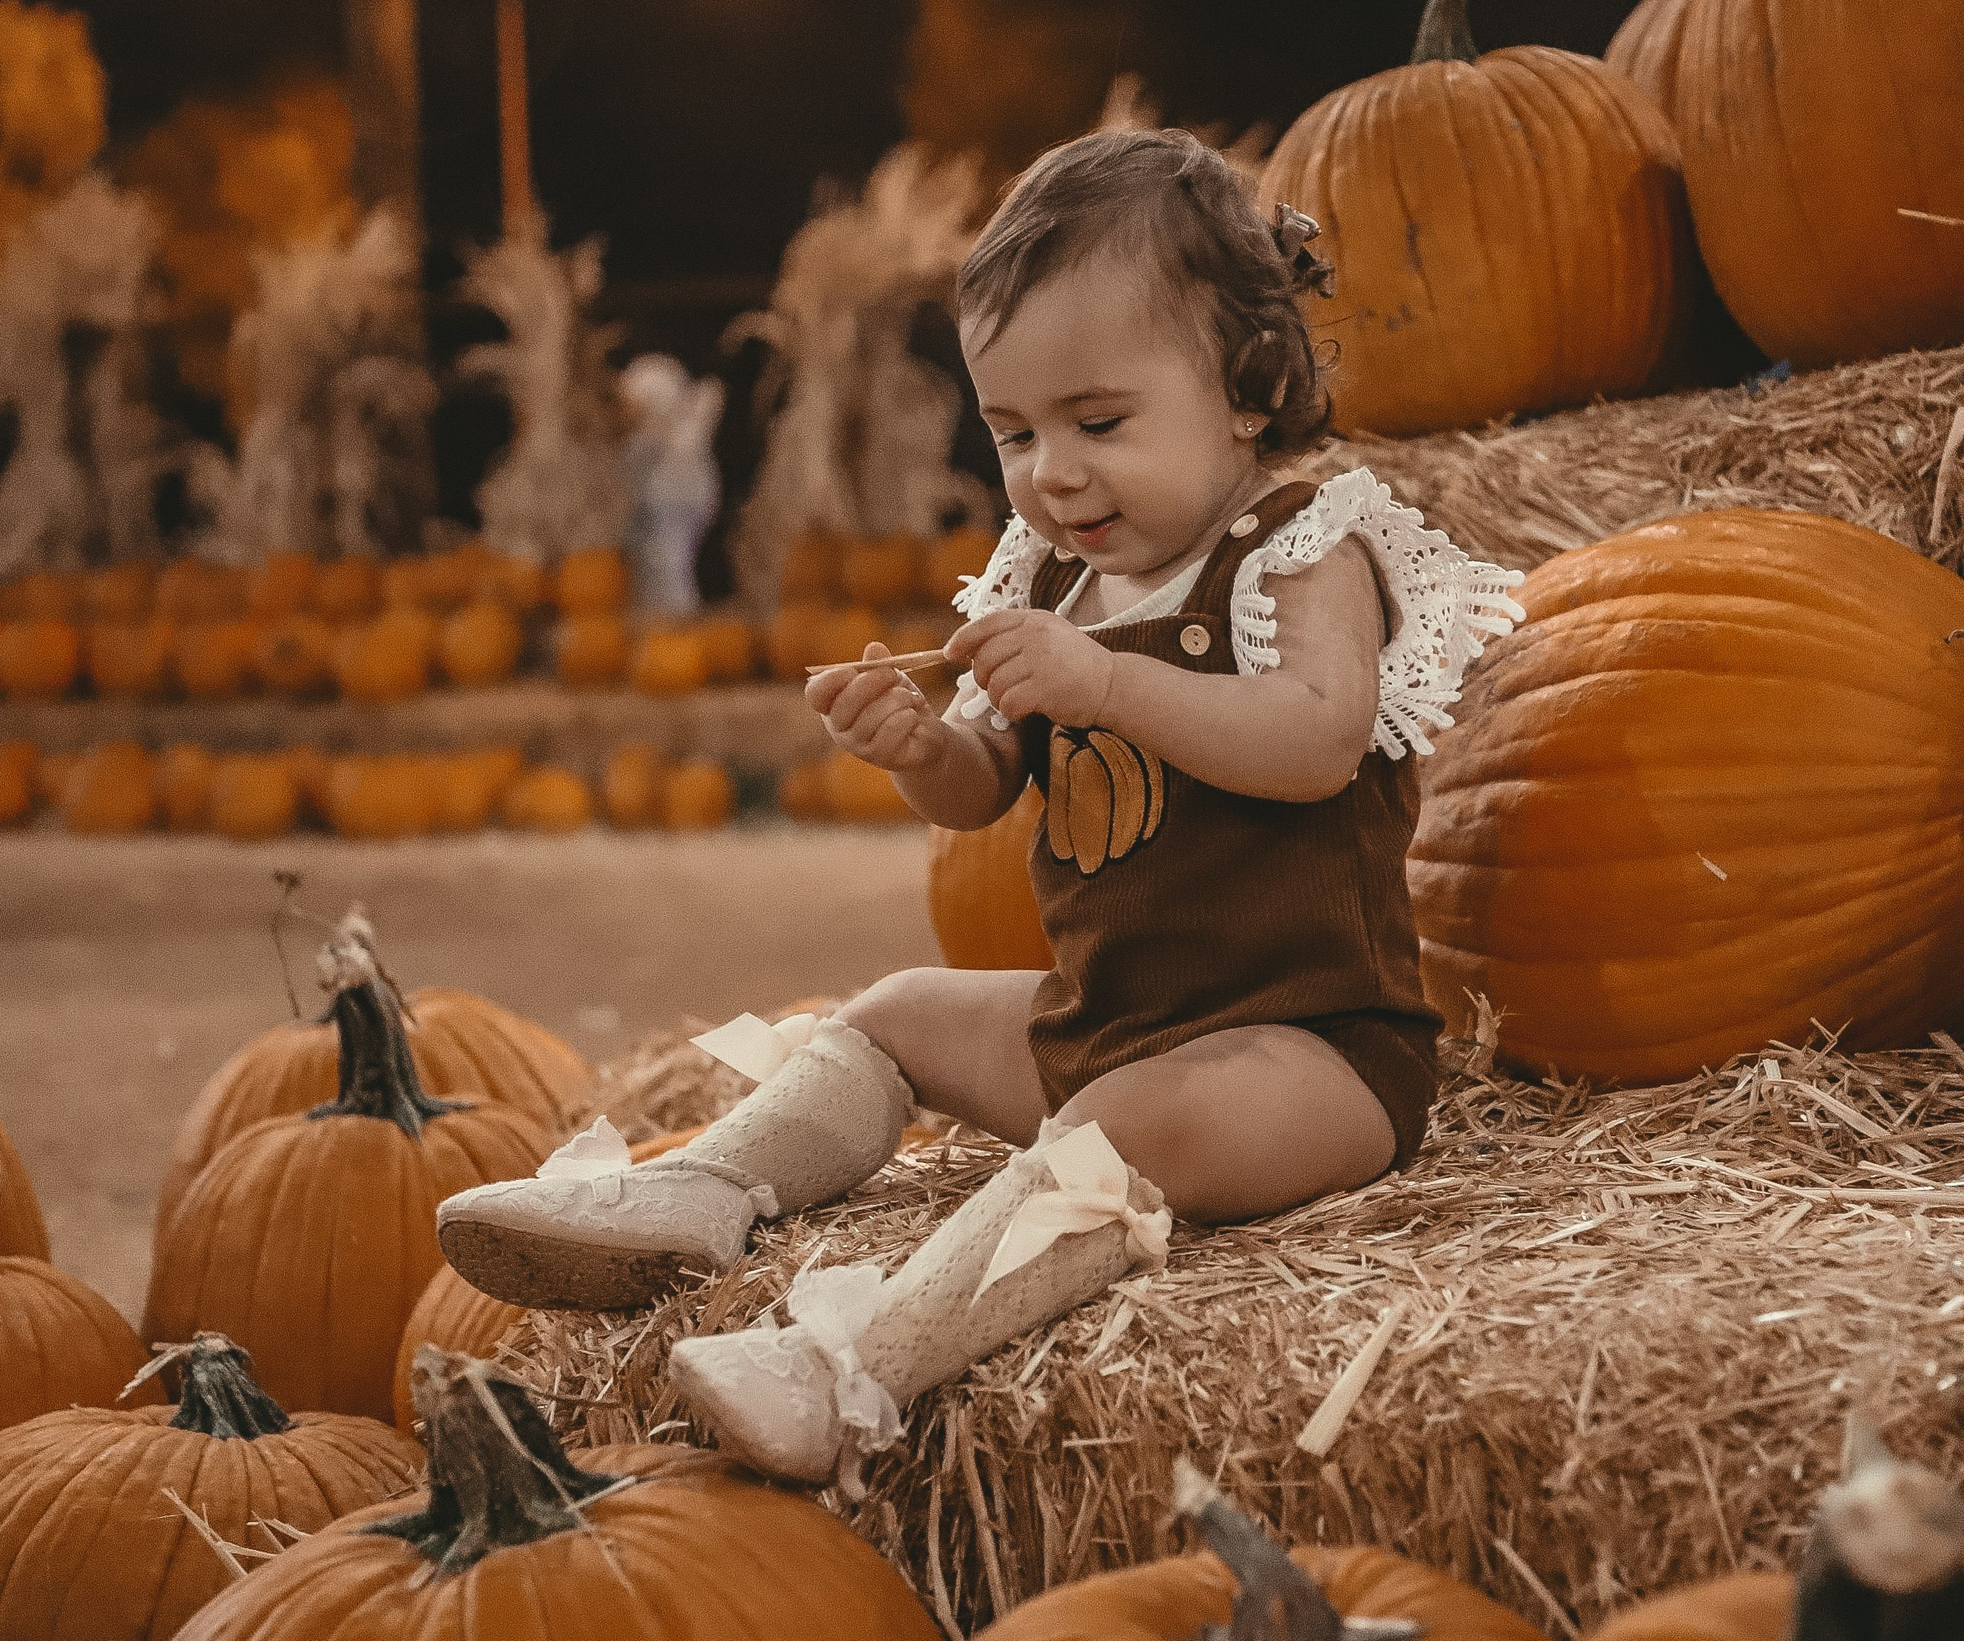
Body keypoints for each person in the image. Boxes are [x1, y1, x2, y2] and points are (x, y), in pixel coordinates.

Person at [436, 128, 1524, 1487]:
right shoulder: (1053, 579)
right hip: (1105, 1024)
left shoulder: (1303, 544)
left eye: (1100, 423)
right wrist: (913, 746)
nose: (1054, 472)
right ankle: (698, 1194)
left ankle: (849, 1368)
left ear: (1248, 390)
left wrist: (1104, 686)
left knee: (1118, 1130)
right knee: (892, 1006)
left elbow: (1318, 738)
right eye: (1014, 432)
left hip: (1308, 1053)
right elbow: (981, 780)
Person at [616, 352, 724, 614]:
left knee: (669, 570)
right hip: (644, 575)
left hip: (667, 578)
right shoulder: (648, 447)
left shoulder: (681, 454)